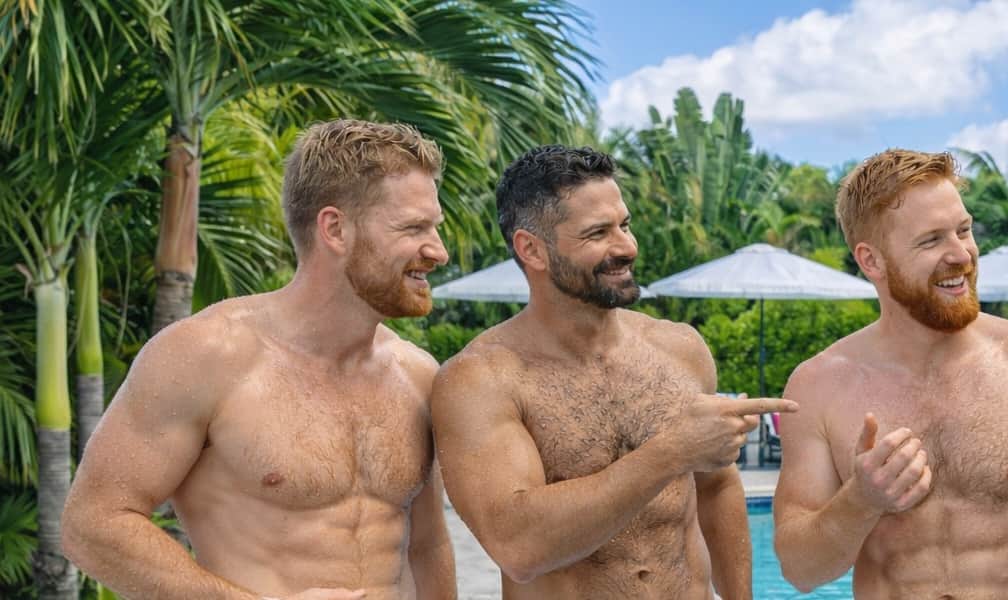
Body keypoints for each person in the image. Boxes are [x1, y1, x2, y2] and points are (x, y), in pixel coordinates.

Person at [61, 119, 457, 599]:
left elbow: (427, 545)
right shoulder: (208, 356)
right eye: (414, 227)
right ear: (335, 228)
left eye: (434, 226)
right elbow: (93, 523)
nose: (439, 250)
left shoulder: (417, 373)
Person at [430, 145, 794, 599]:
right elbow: (519, 545)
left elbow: (717, 486)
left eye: (624, 224)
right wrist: (671, 452)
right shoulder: (481, 380)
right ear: (532, 250)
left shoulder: (680, 349)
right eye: (597, 233)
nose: (626, 246)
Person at [772, 148, 1008, 599]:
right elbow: (799, 569)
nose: (961, 255)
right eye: (931, 241)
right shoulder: (820, 387)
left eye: (964, 230)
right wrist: (860, 502)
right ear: (871, 261)